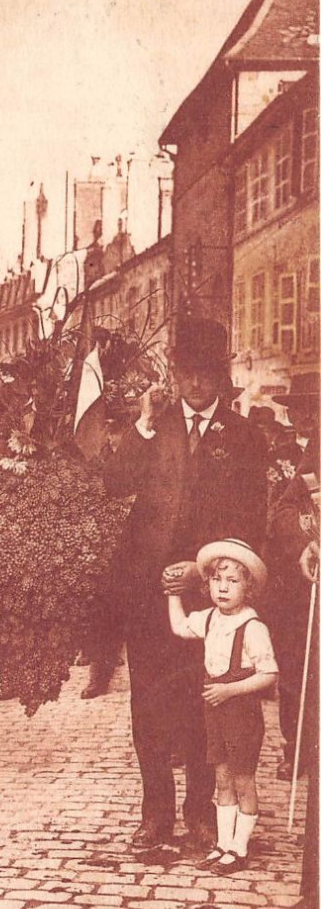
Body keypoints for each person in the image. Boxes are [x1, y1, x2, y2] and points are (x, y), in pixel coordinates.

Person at [104, 318, 268, 851]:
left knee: (205, 706)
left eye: (204, 375)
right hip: (150, 594)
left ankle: (202, 810)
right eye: (185, 374)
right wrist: (143, 427)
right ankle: (155, 815)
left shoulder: (244, 438)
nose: (194, 385)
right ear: (172, 374)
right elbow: (114, 485)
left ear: (220, 377)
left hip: (212, 597)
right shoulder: (155, 426)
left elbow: (250, 521)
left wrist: (202, 570)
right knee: (149, 707)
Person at [166, 539, 278, 873]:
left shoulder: (253, 627)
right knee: (223, 779)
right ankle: (224, 844)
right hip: (215, 713)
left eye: (232, 581)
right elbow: (180, 627)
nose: (223, 588)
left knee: (243, 780)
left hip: (240, 713)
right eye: (217, 580)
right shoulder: (211, 618)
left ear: (249, 586)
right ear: (207, 584)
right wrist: (173, 593)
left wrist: (230, 690)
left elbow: (270, 674)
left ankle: (240, 848)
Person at [264, 373, 320, 781]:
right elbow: (275, 511)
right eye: (301, 409)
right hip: (291, 578)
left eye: (314, 409)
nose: (308, 417)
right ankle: (295, 747)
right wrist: (304, 539)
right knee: (295, 667)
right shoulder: (279, 455)